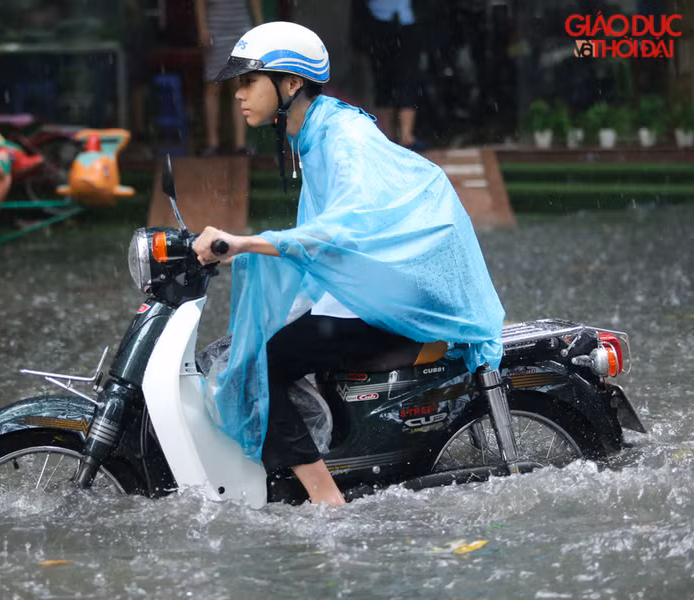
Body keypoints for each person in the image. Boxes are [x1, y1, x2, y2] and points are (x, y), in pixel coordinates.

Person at [192, 22, 504, 506]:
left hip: (390, 298)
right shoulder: (313, 131)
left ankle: (327, 501)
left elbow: (344, 227)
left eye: (249, 81)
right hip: (368, 287)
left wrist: (247, 243)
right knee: (248, 343)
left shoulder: (345, 136)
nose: (239, 94)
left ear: (290, 83)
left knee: (260, 363)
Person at [194, 0, 263, 155]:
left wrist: (259, 26)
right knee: (213, 85)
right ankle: (212, 143)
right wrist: (202, 28)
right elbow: (200, 3)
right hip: (215, 30)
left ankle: (240, 144)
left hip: (240, 29)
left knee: (239, 87)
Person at [362, 0, 422, 148]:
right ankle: (387, 137)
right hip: (378, 21)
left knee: (408, 78)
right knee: (383, 82)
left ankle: (406, 136)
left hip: (407, 21)